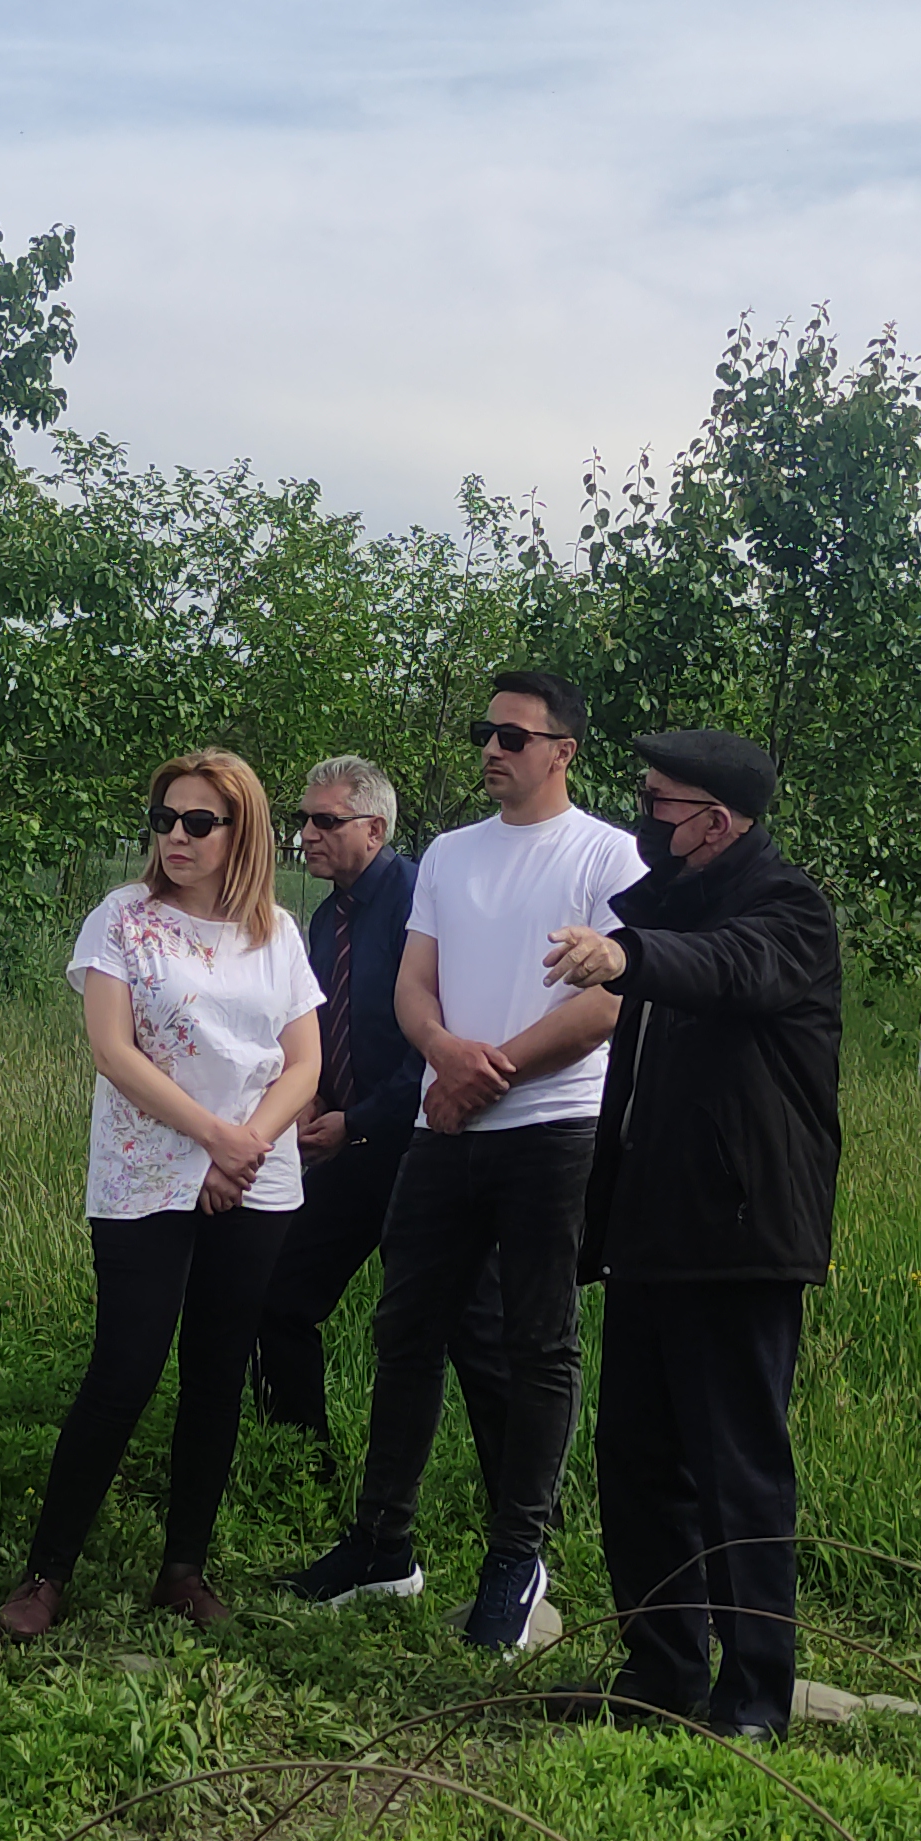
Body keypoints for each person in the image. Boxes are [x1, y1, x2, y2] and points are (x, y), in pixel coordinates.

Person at [282, 671, 641, 1653]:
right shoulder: (450, 851)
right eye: (486, 731)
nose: (491, 748)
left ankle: (517, 1558)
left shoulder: (608, 853)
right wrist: (443, 1054)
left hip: (553, 1124)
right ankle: (382, 1543)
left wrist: (488, 1074)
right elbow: (414, 985)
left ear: (562, 751)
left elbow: (609, 1002)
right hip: (444, 1128)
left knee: (537, 1341)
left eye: (513, 736)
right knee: (406, 1329)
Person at [546, 727, 844, 1739]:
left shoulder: (788, 909)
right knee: (637, 1462)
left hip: (739, 1231)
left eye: (656, 803)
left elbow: (730, 969)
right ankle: (662, 1673)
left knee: (737, 1470)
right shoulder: (668, 902)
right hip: (651, 1228)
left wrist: (627, 954)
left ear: (714, 822)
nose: (641, 816)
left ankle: (755, 1698)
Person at [0, 752, 325, 1640]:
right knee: (125, 1368)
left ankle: (184, 1569)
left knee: (218, 1372)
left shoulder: (277, 932)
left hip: (256, 1176)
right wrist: (215, 1137)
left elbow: (304, 1064)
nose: (176, 835)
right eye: (164, 818)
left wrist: (246, 1146)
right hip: (148, 1174)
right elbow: (113, 1051)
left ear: (242, 832)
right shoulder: (123, 919)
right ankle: (46, 1573)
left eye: (198, 822)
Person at [249, 755, 418, 1459]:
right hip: (349, 1141)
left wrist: (360, 1119)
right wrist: (314, 1097)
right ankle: (299, 1466)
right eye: (302, 820)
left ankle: (512, 1507)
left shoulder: (418, 905)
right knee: (277, 1293)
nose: (306, 835)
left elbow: (437, 1043)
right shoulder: (326, 918)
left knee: (444, 1327)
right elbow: (318, 1028)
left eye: (325, 821)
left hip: (420, 1146)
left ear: (374, 830)